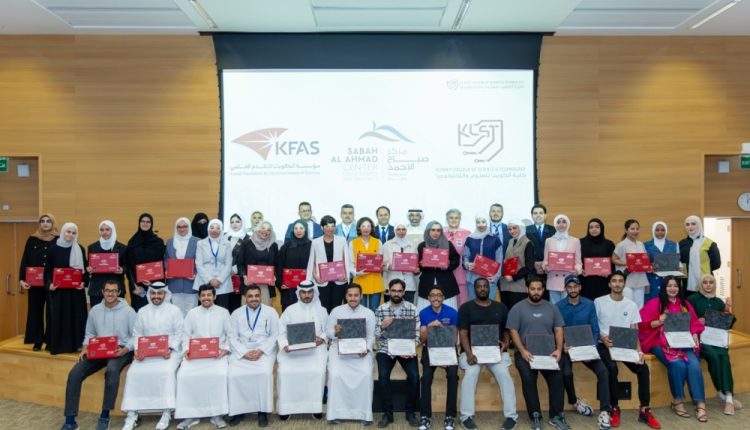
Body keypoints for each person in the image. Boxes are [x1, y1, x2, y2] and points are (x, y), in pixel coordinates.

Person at [59, 279, 136, 430]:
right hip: (99, 349)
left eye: (113, 291)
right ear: (102, 292)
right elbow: (89, 333)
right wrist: (85, 348)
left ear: (119, 293)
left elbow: (135, 336)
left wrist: (126, 349)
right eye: (107, 290)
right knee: (75, 373)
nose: (110, 294)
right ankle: (70, 421)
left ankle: (105, 415)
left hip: (120, 350)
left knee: (112, 370)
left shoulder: (129, 312)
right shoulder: (95, 310)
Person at [595, 271, 660, 429]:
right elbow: (594, 325)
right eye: (614, 281)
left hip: (625, 345)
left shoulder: (631, 305)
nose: (617, 284)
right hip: (605, 344)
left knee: (643, 368)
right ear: (609, 284)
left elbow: (634, 329)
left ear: (624, 284)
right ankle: (614, 407)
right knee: (611, 367)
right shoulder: (599, 302)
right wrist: (602, 338)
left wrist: (639, 352)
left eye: (620, 281)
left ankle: (644, 409)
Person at [639, 276, 707, 422]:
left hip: (682, 342)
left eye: (675, 286)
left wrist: (695, 333)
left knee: (694, 364)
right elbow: (642, 324)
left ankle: (700, 404)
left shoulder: (685, 304)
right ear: (664, 288)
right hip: (659, 341)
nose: (672, 288)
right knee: (677, 364)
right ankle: (678, 401)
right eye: (669, 286)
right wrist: (659, 320)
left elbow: (694, 322)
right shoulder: (655, 303)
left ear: (679, 288)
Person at [121, 282, 185, 430]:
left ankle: (166, 412)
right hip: (147, 353)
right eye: (153, 293)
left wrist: (170, 348)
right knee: (133, 373)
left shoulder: (174, 310)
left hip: (169, 352)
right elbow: (137, 334)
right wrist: (138, 350)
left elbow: (180, 333)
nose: (156, 296)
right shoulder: (142, 311)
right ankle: (132, 414)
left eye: (159, 293)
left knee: (167, 372)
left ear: (165, 294)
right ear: (149, 294)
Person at [507, 276, 568, 430]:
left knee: (557, 377)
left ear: (543, 290)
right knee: (528, 378)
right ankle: (535, 415)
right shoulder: (517, 308)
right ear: (527, 289)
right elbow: (513, 331)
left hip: (548, 353)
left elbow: (558, 329)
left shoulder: (552, 308)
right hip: (526, 353)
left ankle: (556, 416)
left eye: (539, 289)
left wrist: (559, 349)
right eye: (532, 289)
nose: (536, 292)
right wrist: (522, 351)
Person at [457, 278, 518, 430]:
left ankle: (511, 416)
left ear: (489, 288)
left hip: (495, 352)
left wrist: (505, 343)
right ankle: (466, 416)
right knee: (471, 373)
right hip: (472, 353)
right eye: (479, 287)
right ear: (474, 289)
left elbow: (506, 330)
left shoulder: (501, 307)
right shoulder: (466, 308)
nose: (482, 289)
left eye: (485, 286)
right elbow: (463, 333)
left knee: (504, 373)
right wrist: (469, 354)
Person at [556, 275, 611, 430]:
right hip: (568, 348)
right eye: (569, 287)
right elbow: (556, 329)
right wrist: (561, 346)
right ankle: (574, 401)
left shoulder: (589, 304)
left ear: (580, 287)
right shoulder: (558, 306)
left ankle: (605, 411)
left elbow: (595, 330)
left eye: (575, 286)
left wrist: (591, 348)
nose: (573, 289)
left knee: (603, 371)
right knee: (566, 373)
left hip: (587, 347)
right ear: (565, 289)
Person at [175, 284, 232, 430]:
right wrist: (186, 350)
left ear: (214, 296)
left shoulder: (223, 312)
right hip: (195, 356)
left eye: (209, 295)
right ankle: (190, 415)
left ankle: (217, 414)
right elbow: (185, 335)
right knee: (183, 375)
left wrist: (226, 350)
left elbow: (231, 335)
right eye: (203, 295)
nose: (206, 298)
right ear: (199, 297)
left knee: (220, 374)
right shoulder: (192, 313)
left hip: (217, 355)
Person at [687, 274, 741, 415]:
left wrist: (727, 310)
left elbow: (726, 324)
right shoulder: (692, 299)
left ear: (714, 284)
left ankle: (728, 397)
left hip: (717, 340)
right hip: (700, 339)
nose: (708, 285)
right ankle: (721, 391)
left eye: (711, 282)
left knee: (724, 357)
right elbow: (686, 319)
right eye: (705, 282)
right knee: (714, 356)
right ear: (700, 284)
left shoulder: (719, 302)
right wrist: (698, 321)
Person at [226, 284, 280, 427]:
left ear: (260, 296)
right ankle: (239, 411)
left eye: (257, 296)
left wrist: (261, 350)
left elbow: (275, 335)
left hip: (263, 351)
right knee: (233, 375)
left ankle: (262, 411)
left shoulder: (271, 312)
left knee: (264, 374)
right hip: (242, 351)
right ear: (245, 297)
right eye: (250, 296)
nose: (254, 299)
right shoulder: (236, 313)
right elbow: (232, 337)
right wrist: (244, 352)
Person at [276, 281, 329, 420]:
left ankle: (315, 407)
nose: (307, 295)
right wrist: (285, 345)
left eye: (310, 292)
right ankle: (287, 408)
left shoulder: (322, 310)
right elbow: (280, 332)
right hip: (293, 351)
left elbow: (328, 330)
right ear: (299, 293)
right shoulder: (290, 310)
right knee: (284, 372)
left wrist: (322, 338)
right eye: (304, 292)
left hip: (315, 350)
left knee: (317, 371)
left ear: (314, 293)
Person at [326, 283, 377, 425]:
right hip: (339, 351)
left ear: (361, 296)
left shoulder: (369, 313)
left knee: (366, 374)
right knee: (335, 375)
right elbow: (328, 333)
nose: (353, 298)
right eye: (350, 295)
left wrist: (366, 349)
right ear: (345, 296)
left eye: (356, 295)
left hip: (361, 352)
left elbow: (371, 337)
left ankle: (364, 414)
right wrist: (335, 331)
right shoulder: (336, 311)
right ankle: (336, 414)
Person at [374, 279, 420, 428]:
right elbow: (375, 335)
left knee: (414, 376)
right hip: (386, 348)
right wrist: (382, 326)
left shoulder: (412, 308)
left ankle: (410, 412)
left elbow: (417, 334)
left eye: (399, 291)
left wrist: (410, 348)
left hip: (406, 348)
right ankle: (387, 414)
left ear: (404, 292)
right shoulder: (381, 309)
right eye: (393, 290)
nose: (396, 294)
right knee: (383, 377)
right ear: (388, 291)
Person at [418, 286, 459, 430]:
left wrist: (444, 357)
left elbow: (454, 338)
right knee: (426, 377)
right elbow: (422, 340)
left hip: (448, 348)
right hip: (430, 348)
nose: (436, 298)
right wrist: (428, 327)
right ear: (428, 298)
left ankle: (450, 416)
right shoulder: (423, 313)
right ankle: (425, 416)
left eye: (439, 295)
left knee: (453, 375)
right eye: (433, 295)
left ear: (443, 298)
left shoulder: (452, 312)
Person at [46, 222, 89, 355]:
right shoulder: (53, 249)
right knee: (60, 317)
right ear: (63, 232)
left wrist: (83, 282)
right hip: (59, 292)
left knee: (77, 317)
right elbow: (48, 271)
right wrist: (50, 284)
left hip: (76, 292)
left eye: (73, 233)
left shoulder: (79, 248)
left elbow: (85, 272)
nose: (70, 235)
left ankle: (77, 344)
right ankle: (59, 345)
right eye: (68, 232)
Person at [19, 213, 58, 351]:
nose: (45, 223)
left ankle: (51, 341)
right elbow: (25, 259)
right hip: (34, 282)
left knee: (52, 311)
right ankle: (37, 340)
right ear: (39, 223)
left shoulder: (58, 239)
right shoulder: (32, 239)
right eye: (42, 221)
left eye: (48, 221)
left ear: (53, 223)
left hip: (52, 282)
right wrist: (22, 279)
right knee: (35, 311)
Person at [307, 215, 350, 313]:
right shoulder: (315, 242)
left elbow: (346, 259)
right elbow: (312, 261)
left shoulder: (342, 240)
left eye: (332, 226)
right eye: (327, 226)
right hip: (321, 280)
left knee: (337, 307)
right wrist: (315, 276)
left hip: (338, 280)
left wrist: (345, 274)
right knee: (323, 307)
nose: (330, 229)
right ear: (322, 228)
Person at [125, 213, 166, 312]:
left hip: (154, 285)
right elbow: (129, 266)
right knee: (140, 312)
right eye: (143, 221)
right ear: (139, 223)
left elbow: (161, 265)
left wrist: (153, 283)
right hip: (138, 287)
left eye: (148, 222)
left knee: (156, 311)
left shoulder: (158, 242)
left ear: (151, 224)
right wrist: (134, 285)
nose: (145, 224)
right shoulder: (132, 242)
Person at [417, 221, 461, 311]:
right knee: (426, 311)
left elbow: (456, 260)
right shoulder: (422, 246)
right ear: (428, 231)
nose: (436, 233)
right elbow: (418, 264)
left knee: (448, 312)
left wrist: (449, 264)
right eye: (433, 230)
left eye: (438, 230)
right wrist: (420, 264)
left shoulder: (448, 244)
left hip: (446, 283)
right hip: (427, 282)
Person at [194, 219, 233, 310]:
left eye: (217, 228)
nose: (214, 230)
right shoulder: (200, 243)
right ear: (208, 229)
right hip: (204, 282)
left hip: (223, 283)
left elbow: (228, 264)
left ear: (221, 230)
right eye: (212, 228)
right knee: (204, 310)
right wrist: (210, 280)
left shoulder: (227, 244)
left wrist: (219, 280)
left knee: (222, 310)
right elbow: (199, 264)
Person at [543, 215, 582, 304]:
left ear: (568, 224)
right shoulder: (548, 240)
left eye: (564, 222)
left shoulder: (575, 241)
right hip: (553, 278)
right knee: (554, 307)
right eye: (558, 222)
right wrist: (545, 267)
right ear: (555, 224)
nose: (561, 224)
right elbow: (545, 260)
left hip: (569, 279)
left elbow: (578, 262)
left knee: (568, 306)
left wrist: (577, 270)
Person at [86, 220, 127, 307]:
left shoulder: (123, 248)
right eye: (102, 230)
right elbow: (88, 266)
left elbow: (127, 266)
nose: (104, 232)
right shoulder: (92, 247)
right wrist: (89, 269)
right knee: (97, 314)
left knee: (117, 314)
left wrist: (122, 269)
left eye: (107, 229)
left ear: (113, 230)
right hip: (97, 288)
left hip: (116, 288)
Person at [237, 221, 279, 306]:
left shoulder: (273, 245)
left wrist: (274, 275)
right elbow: (240, 263)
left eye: (268, 230)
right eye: (263, 228)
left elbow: (277, 264)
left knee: (266, 310)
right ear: (258, 229)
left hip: (266, 285)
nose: (265, 231)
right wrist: (244, 276)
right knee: (247, 310)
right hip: (249, 283)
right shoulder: (246, 244)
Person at [463, 214, 503, 302]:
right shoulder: (469, 239)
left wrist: (495, 277)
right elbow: (465, 256)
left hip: (489, 280)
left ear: (487, 222)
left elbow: (499, 260)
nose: (480, 224)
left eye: (483, 222)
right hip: (473, 279)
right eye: (478, 222)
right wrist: (467, 264)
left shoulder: (495, 239)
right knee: (474, 305)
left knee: (489, 305)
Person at [275, 219, 312, 311]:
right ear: (292, 230)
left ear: (306, 230)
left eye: (301, 228)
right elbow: (279, 267)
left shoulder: (312, 246)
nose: (298, 231)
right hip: (289, 290)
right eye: (296, 228)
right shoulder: (285, 247)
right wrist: (281, 283)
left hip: (307, 288)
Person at [611, 219, 649, 309]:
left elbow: (644, 259)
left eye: (637, 229)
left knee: (639, 307)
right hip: (627, 281)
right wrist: (627, 263)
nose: (635, 231)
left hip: (640, 280)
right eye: (632, 229)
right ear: (626, 230)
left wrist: (648, 266)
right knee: (628, 307)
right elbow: (613, 259)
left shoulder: (641, 244)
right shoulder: (621, 244)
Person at [165, 217, 199, 316]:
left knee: (192, 315)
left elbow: (201, 262)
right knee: (176, 315)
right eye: (179, 227)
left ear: (189, 227)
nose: (182, 229)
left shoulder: (197, 242)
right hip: (174, 285)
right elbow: (166, 259)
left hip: (191, 285)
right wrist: (167, 270)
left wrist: (196, 274)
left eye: (185, 226)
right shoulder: (170, 242)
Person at [679, 215, 721, 294]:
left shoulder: (710, 243)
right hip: (686, 284)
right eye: (687, 224)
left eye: (693, 224)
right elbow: (680, 262)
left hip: (705, 284)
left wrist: (700, 269)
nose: (690, 227)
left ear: (699, 225)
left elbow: (716, 264)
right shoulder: (682, 243)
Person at [499, 218, 535, 310]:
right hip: (505, 284)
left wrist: (513, 277)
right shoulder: (510, 241)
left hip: (519, 285)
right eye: (509, 229)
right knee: (506, 312)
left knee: (517, 313)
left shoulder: (528, 243)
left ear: (521, 228)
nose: (512, 231)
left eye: (515, 228)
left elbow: (529, 266)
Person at [350, 216, 384, 312]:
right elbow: (350, 262)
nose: (366, 228)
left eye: (368, 226)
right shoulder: (353, 243)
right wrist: (356, 273)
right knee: (361, 309)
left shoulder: (378, 242)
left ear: (372, 228)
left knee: (374, 309)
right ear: (359, 228)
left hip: (375, 280)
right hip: (360, 279)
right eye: (363, 226)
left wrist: (382, 264)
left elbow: (380, 260)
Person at [579, 218, 615, 301]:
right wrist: (580, 270)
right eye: (591, 227)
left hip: (603, 281)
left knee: (602, 304)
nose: (594, 229)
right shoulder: (581, 243)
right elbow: (577, 260)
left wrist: (609, 273)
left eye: (597, 227)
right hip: (586, 281)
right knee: (587, 304)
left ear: (601, 228)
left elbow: (613, 264)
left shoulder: (609, 244)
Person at [382, 223, 419, 304]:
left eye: (403, 229)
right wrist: (388, 267)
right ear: (395, 230)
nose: (401, 232)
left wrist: (416, 270)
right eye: (398, 229)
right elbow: (381, 265)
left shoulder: (412, 245)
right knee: (390, 309)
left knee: (408, 309)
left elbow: (415, 264)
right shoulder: (387, 245)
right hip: (391, 284)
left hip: (409, 285)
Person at [643, 221, 678, 302]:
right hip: (652, 279)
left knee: (667, 302)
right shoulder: (646, 245)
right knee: (652, 302)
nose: (660, 232)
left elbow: (677, 261)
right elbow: (644, 263)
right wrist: (650, 266)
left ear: (666, 231)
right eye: (657, 230)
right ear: (653, 231)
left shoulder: (673, 245)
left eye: (662, 230)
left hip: (668, 280)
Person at [445, 208, 471, 305]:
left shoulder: (467, 233)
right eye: (451, 218)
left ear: (460, 219)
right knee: (448, 302)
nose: (454, 220)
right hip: (446, 272)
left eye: (456, 218)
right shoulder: (442, 234)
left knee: (462, 301)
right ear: (447, 219)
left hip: (461, 272)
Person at [225, 213, 250, 313]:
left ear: (242, 223)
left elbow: (248, 257)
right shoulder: (225, 236)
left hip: (240, 276)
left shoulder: (248, 238)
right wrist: (227, 269)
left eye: (237, 222)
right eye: (232, 222)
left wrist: (235, 268)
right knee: (225, 304)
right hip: (225, 276)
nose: (234, 224)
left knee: (237, 305)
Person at [525, 204, 554, 275]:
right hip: (531, 268)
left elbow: (555, 249)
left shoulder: (553, 230)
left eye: (541, 213)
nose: (538, 215)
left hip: (549, 268)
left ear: (545, 215)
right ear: (532, 216)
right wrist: (534, 263)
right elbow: (524, 250)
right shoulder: (526, 230)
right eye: (535, 213)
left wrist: (545, 262)